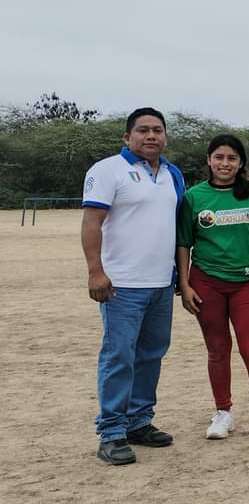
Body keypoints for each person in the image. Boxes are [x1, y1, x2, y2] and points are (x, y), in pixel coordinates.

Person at [81, 107, 186, 465]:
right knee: (119, 356)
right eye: (143, 130)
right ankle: (111, 432)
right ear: (127, 137)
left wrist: (178, 274)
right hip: (122, 285)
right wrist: (96, 272)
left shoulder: (172, 174)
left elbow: (174, 227)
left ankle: (139, 421)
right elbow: (92, 223)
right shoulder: (107, 170)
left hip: (161, 283)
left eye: (158, 130)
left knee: (151, 354)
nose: (151, 136)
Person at [177, 134, 249, 440]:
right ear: (209, 160)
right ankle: (223, 412)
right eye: (219, 157)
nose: (225, 164)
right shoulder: (193, 197)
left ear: (241, 163)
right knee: (217, 350)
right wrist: (184, 283)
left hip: (247, 281)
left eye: (232, 158)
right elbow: (183, 243)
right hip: (206, 282)